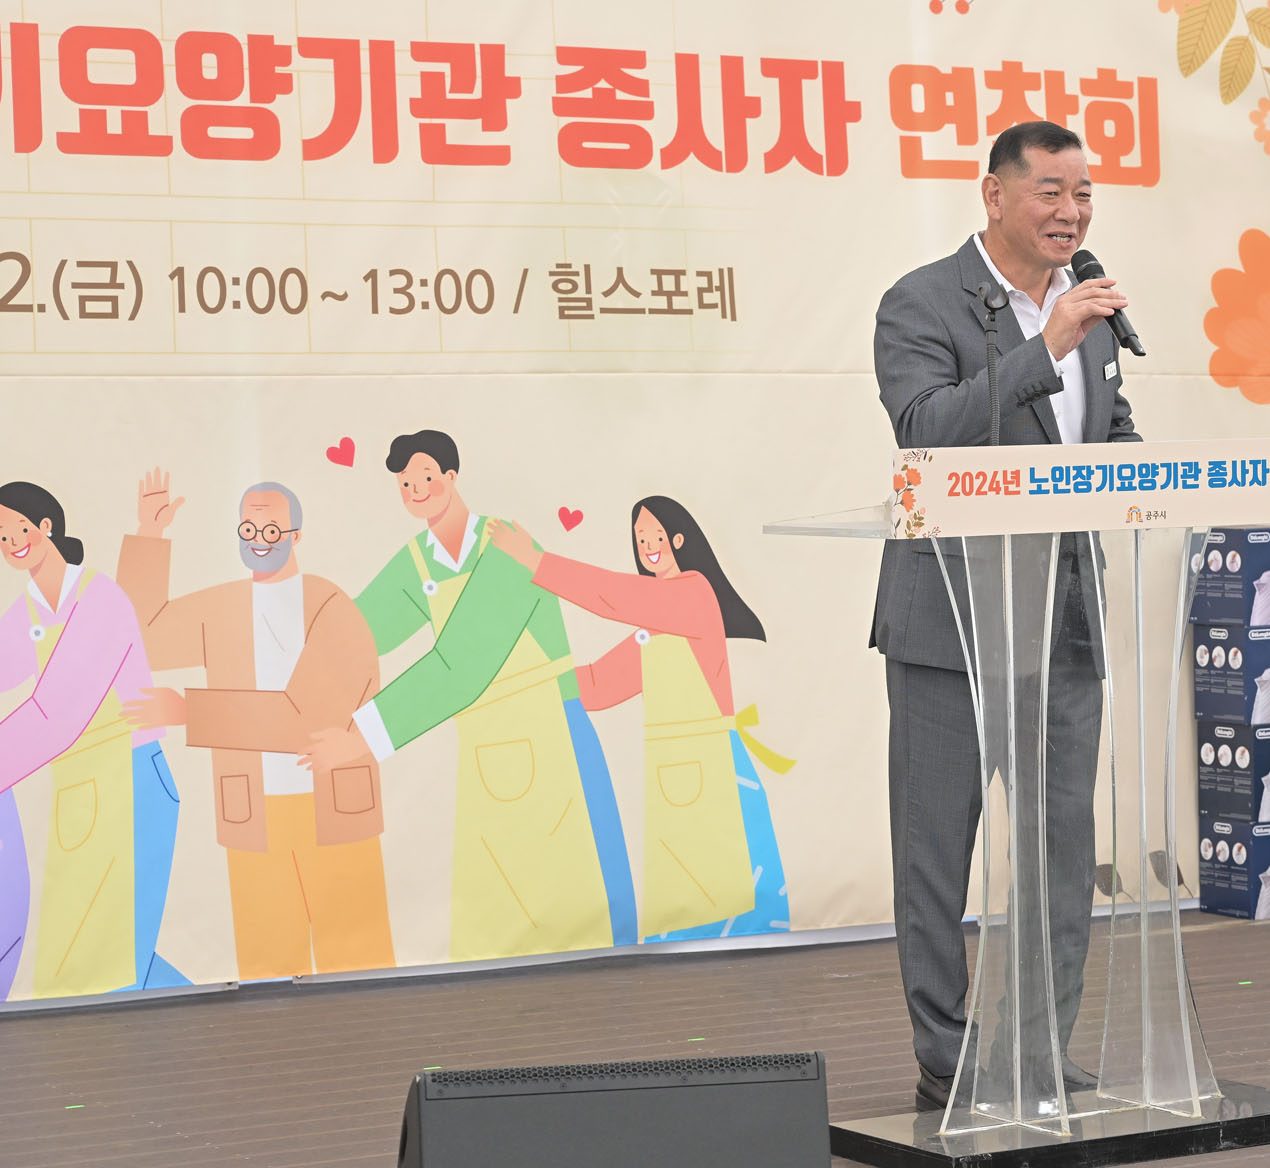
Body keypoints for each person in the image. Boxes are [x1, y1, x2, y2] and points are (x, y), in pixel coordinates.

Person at [870, 120, 1139, 1112]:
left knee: (1061, 848)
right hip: (952, 621)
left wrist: (1146, 471)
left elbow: (1109, 436)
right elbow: (926, 432)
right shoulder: (923, 301)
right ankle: (948, 1057)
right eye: (1050, 192)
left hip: (1062, 616)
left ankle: (1036, 1049)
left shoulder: (1092, 311)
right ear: (994, 195)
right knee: (936, 852)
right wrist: (1046, 343)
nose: (1072, 212)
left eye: (1084, 193)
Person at [302, 430, 635, 962]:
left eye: (425, 476)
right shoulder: (418, 564)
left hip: (553, 743)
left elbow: (461, 666)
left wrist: (359, 738)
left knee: (581, 923)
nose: (416, 489)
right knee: (492, 931)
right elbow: (358, 636)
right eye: (404, 483)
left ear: (451, 476)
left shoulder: (507, 546)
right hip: (486, 762)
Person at [118, 472, 395, 981]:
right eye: (248, 530)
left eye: (271, 531)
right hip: (253, 814)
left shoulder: (331, 606)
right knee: (266, 977)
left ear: (296, 536)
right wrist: (150, 534)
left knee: (361, 968)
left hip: (333, 809)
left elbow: (303, 719)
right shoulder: (222, 607)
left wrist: (189, 711)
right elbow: (143, 636)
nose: (258, 542)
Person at [486, 496, 794, 941]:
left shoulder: (693, 594)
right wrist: (527, 685)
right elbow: (598, 682)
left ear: (680, 540)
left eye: (657, 537)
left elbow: (614, 597)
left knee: (734, 903)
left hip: (714, 771)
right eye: (641, 539)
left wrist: (537, 562)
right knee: (690, 901)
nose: (649, 547)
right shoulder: (657, 629)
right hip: (677, 784)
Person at [0, 481, 177, 999]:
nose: (12, 543)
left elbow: (58, 713)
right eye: (1, 536)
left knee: (113, 962)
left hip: (131, 781)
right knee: (90, 961)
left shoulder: (99, 597)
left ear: (46, 526)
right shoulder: (30, 611)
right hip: (79, 792)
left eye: (20, 529)